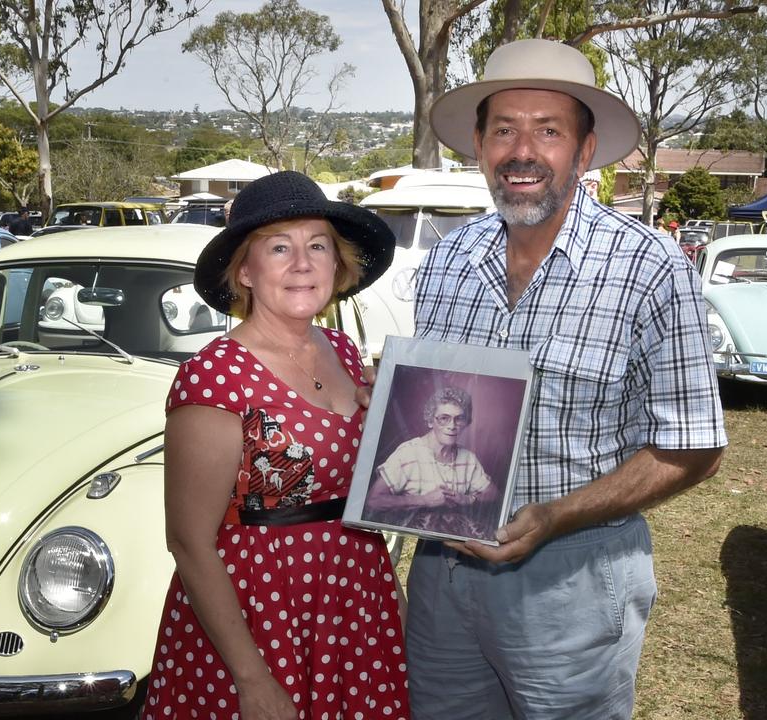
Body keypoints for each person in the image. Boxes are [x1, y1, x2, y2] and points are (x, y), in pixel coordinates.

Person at [383, 38, 727, 718]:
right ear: (479, 145)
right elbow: (435, 404)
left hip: (573, 579)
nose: (523, 151)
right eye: (504, 129)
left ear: (585, 149)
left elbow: (695, 447)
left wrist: (555, 516)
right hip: (443, 579)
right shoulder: (450, 259)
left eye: (549, 131)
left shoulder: (650, 268)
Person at [142, 170, 408, 720]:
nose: (302, 263)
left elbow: (351, 480)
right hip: (258, 614)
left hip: (355, 599)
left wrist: (389, 408)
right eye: (279, 247)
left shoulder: (343, 350)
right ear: (245, 269)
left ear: (337, 265)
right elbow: (189, 540)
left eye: (318, 246)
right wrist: (252, 678)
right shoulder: (213, 376)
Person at [363, 385, 497, 540]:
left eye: (459, 418)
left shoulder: (467, 458)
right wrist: (425, 500)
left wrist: (467, 499)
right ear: (430, 421)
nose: (452, 426)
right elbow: (373, 501)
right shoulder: (409, 453)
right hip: (412, 542)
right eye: (443, 418)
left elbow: (494, 495)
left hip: (453, 543)